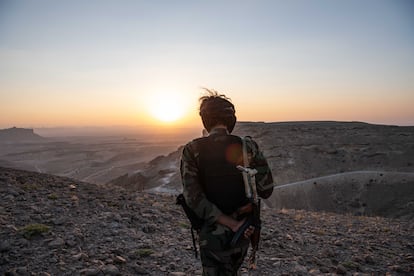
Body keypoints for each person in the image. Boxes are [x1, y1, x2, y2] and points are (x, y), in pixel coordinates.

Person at [180, 90, 274, 275]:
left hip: (213, 236)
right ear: (231, 119)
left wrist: (228, 223)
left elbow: (193, 198)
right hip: (244, 233)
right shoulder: (248, 146)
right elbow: (266, 190)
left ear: (205, 120)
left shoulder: (193, 149)